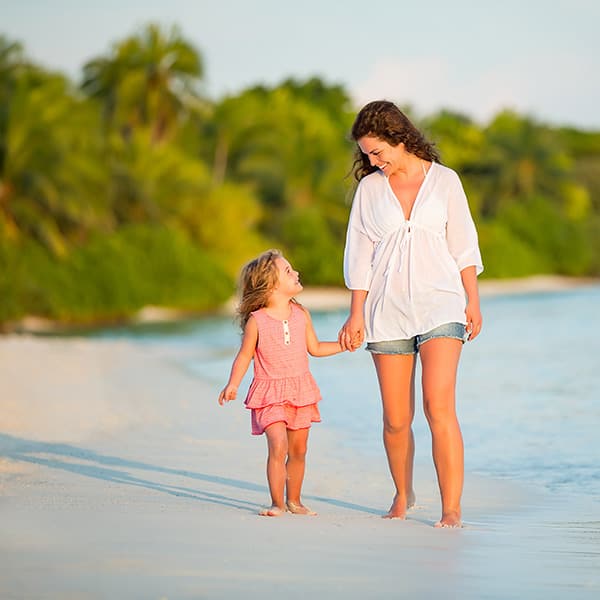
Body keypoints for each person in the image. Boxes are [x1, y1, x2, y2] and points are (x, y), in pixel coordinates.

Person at [338, 100, 483, 528]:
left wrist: (472, 300)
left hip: (441, 304)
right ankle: (403, 494)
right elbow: (359, 255)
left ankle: (451, 509)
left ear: (400, 140)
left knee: (439, 407)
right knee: (396, 420)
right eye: (366, 154)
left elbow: (464, 244)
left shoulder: (445, 182)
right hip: (386, 312)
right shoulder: (369, 191)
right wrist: (355, 314)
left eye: (378, 152)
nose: (373, 161)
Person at [218, 249, 347, 517]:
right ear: (271, 285)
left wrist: (344, 346)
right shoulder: (257, 321)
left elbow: (315, 347)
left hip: (301, 391)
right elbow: (244, 356)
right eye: (288, 271)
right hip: (269, 392)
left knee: (299, 450)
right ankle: (277, 503)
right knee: (279, 445)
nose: (296, 272)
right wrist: (233, 384)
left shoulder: (301, 314)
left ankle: (295, 501)